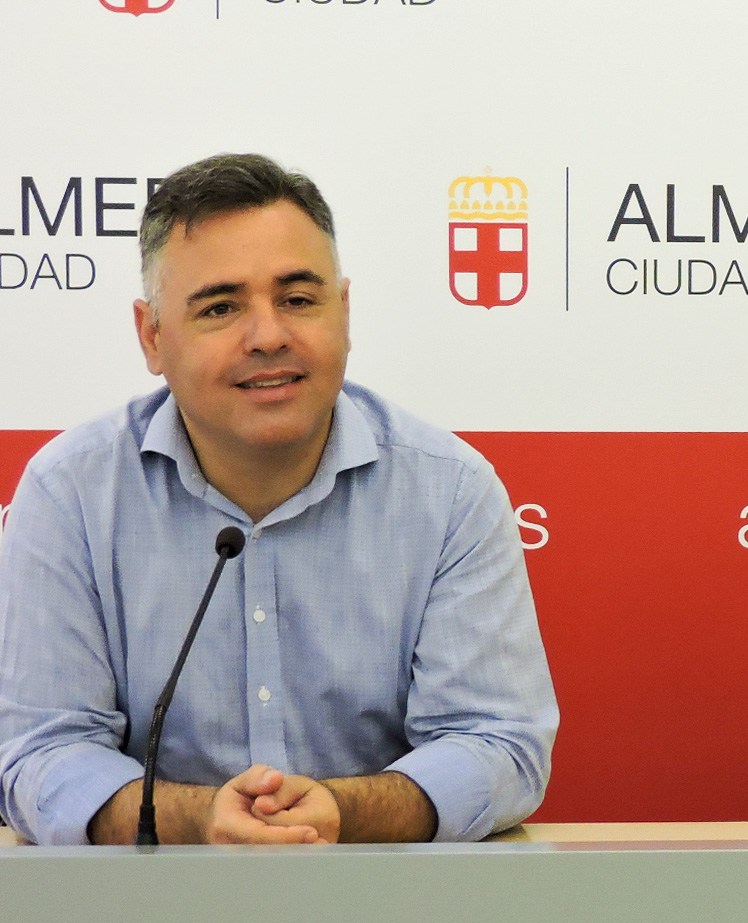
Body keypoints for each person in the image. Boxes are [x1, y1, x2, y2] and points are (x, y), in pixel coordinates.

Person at [0, 153, 556, 845]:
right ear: (152, 336)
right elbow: (38, 756)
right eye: (221, 307)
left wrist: (339, 810)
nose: (268, 337)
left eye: (298, 299)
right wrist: (199, 819)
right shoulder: (69, 495)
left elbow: (499, 745)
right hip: (144, 919)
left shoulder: (449, 490)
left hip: (392, 911)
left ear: (344, 313)